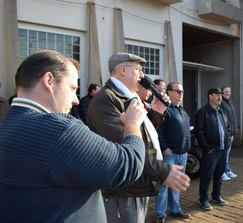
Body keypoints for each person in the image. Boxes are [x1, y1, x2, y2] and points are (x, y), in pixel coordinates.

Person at [0, 50, 147, 222]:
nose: (76, 100)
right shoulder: (60, 131)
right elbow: (129, 165)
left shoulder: (6, 125)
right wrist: (132, 123)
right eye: (72, 88)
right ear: (49, 81)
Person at [86, 52, 190, 223]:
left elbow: (140, 134)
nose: (142, 76)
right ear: (123, 69)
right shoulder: (107, 100)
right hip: (123, 190)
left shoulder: (129, 97)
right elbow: (126, 147)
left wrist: (156, 113)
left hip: (137, 182)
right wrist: (163, 172)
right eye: (139, 70)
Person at [155, 81, 191, 223]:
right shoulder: (164, 109)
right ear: (169, 92)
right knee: (163, 185)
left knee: (176, 184)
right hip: (169, 155)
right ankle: (160, 214)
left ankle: (175, 210)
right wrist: (165, 148)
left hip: (182, 154)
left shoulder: (182, 110)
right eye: (177, 91)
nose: (180, 94)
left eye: (182, 91)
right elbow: (158, 131)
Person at [194, 88, 231, 211]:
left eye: (221, 95)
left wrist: (228, 142)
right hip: (211, 151)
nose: (220, 97)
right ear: (210, 96)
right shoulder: (202, 112)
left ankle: (216, 196)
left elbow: (228, 128)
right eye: (217, 95)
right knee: (206, 175)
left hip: (222, 149)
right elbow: (198, 132)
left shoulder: (222, 111)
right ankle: (203, 199)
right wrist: (206, 148)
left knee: (219, 174)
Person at [220, 85, 238, 181]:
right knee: (224, 153)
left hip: (232, 132)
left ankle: (226, 170)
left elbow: (233, 115)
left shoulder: (230, 102)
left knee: (227, 153)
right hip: (227, 133)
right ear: (222, 93)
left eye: (228, 91)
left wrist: (237, 125)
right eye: (225, 92)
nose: (227, 93)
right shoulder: (221, 103)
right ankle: (221, 172)